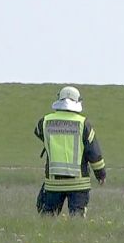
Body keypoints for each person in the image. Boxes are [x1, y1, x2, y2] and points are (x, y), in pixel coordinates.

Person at [34, 86, 107, 216]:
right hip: (78, 184)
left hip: (53, 183)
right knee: (77, 220)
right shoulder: (83, 124)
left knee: (47, 219)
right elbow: (94, 154)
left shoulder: (45, 122)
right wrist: (101, 175)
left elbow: (39, 133)